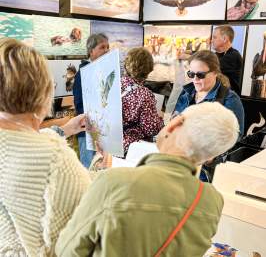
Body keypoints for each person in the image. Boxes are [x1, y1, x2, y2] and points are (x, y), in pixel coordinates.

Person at [55, 102, 240, 257]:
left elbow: (67, 250)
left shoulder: (112, 182)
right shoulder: (212, 201)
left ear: (174, 124)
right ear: (210, 158)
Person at [0, 38, 92, 256]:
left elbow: (20, 145)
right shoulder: (54, 158)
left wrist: (64, 130)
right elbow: (90, 218)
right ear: (45, 91)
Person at [174, 50, 244, 137]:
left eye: (200, 75)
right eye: (191, 74)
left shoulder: (229, 99)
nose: (195, 79)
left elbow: (235, 137)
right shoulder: (186, 93)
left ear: (215, 73)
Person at [73, 33, 109, 168]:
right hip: (87, 132)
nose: (106, 51)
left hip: (102, 130)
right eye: (102, 47)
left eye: (107, 47)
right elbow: (80, 105)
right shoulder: (82, 74)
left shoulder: (102, 72)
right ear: (91, 51)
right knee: (88, 169)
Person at [122, 47, 164, 153]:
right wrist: (160, 119)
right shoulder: (145, 95)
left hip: (111, 144)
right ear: (148, 69)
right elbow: (150, 129)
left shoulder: (114, 84)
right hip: (131, 148)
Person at [212, 25, 243, 95]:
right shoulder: (218, 55)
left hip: (229, 100)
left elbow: (207, 66)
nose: (212, 40)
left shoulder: (233, 56)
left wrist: (188, 57)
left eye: (215, 37)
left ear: (224, 39)